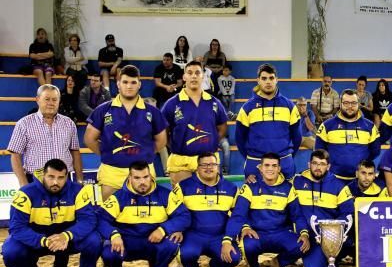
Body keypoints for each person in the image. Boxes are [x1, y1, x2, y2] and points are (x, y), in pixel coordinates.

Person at [2, 159, 101, 267]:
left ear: (66, 176)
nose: (56, 182)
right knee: (11, 251)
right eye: (51, 177)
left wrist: (66, 235)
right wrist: (44, 240)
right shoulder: (25, 193)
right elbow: (17, 228)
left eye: (61, 178)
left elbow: (89, 220)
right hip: (36, 239)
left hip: (65, 239)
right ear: (43, 175)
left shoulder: (78, 191)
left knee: (94, 240)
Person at [98, 161, 190, 267]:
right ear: (129, 178)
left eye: (145, 177)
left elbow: (184, 216)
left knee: (171, 244)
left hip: (153, 240)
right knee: (109, 253)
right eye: (137, 178)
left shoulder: (165, 195)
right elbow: (101, 219)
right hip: (126, 243)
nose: (142, 182)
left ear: (151, 176)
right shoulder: (118, 198)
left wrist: (164, 230)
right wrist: (113, 235)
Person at [84, 65, 168, 200]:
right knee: (109, 216)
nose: (129, 86)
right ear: (118, 84)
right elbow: (89, 139)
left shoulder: (153, 112)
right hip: (111, 174)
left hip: (143, 175)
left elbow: (162, 141)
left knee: (145, 216)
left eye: (133, 82)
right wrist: (107, 152)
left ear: (139, 84)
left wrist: (145, 152)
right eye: (125, 82)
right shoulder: (103, 110)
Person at [224, 153, 308, 267]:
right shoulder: (249, 187)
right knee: (249, 245)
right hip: (257, 234)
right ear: (260, 168)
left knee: (303, 245)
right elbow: (238, 215)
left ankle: (278, 262)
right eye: (267, 165)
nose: (270, 169)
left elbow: (297, 215)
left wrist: (304, 233)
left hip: (280, 233)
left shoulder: (288, 188)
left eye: (274, 166)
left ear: (279, 169)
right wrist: (232, 236)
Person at [171, 153, 240, 267]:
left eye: (212, 164)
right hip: (193, 236)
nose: (209, 168)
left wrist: (228, 239)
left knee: (234, 257)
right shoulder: (183, 186)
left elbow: (237, 216)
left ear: (218, 166)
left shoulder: (231, 188)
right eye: (204, 165)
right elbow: (174, 212)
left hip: (219, 236)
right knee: (185, 255)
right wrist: (178, 229)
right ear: (197, 167)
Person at [161, 61, 229, 185]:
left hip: (209, 162)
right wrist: (178, 146)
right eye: (190, 73)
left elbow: (223, 127)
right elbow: (163, 133)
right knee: (182, 202)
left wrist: (212, 142)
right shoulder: (171, 104)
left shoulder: (214, 102)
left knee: (210, 202)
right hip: (180, 163)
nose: (193, 76)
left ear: (202, 76)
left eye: (197, 73)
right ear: (184, 77)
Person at [290, 150, 354, 267]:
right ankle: (281, 261)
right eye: (315, 163)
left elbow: (348, 213)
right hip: (302, 233)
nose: (318, 167)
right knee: (287, 244)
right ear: (309, 164)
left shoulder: (339, 186)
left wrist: (331, 232)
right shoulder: (296, 182)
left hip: (327, 237)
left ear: (328, 166)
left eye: (322, 164)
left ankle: (328, 257)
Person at [235, 63, 302, 183]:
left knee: (286, 201)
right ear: (258, 80)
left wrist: (288, 157)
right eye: (264, 78)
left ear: (276, 80)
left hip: (284, 163)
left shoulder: (289, 106)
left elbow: (297, 137)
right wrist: (251, 158)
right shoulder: (247, 108)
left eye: (271, 78)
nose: (268, 82)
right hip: (255, 164)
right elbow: (240, 138)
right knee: (255, 201)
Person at [8, 84, 83, 186]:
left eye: (54, 99)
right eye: (47, 99)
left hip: (64, 181)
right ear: (37, 99)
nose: (51, 103)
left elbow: (75, 152)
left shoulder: (69, 123)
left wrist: (79, 180)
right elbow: (15, 155)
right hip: (35, 182)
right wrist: (23, 183)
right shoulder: (24, 124)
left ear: (59, 101)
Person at [316, 89, 380, 180]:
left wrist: (361, 163)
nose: (350, 106)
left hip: (360, 181)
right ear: (340, 103)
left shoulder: (370, 126)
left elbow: (375, 151)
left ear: (358, 104)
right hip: (333, 178)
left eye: (353, 103)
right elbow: (319, 152)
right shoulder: (327, 126)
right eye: (346, 103)